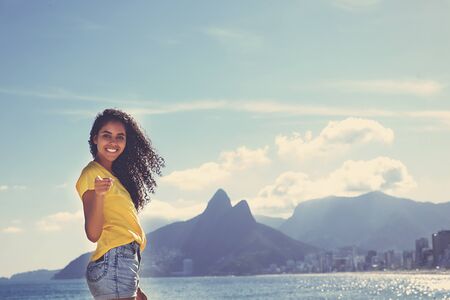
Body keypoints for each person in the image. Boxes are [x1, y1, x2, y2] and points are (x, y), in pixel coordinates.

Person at [75, 108, 165, 299]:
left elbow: (121, 228)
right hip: (114, 264)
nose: (113, 142)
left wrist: (135, 286)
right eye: (106, 135)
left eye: (120, 137)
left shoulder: (115, 177)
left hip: (122, 265)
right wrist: (99, 195)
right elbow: (93, 234)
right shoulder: (92, 174)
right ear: (94, 139)